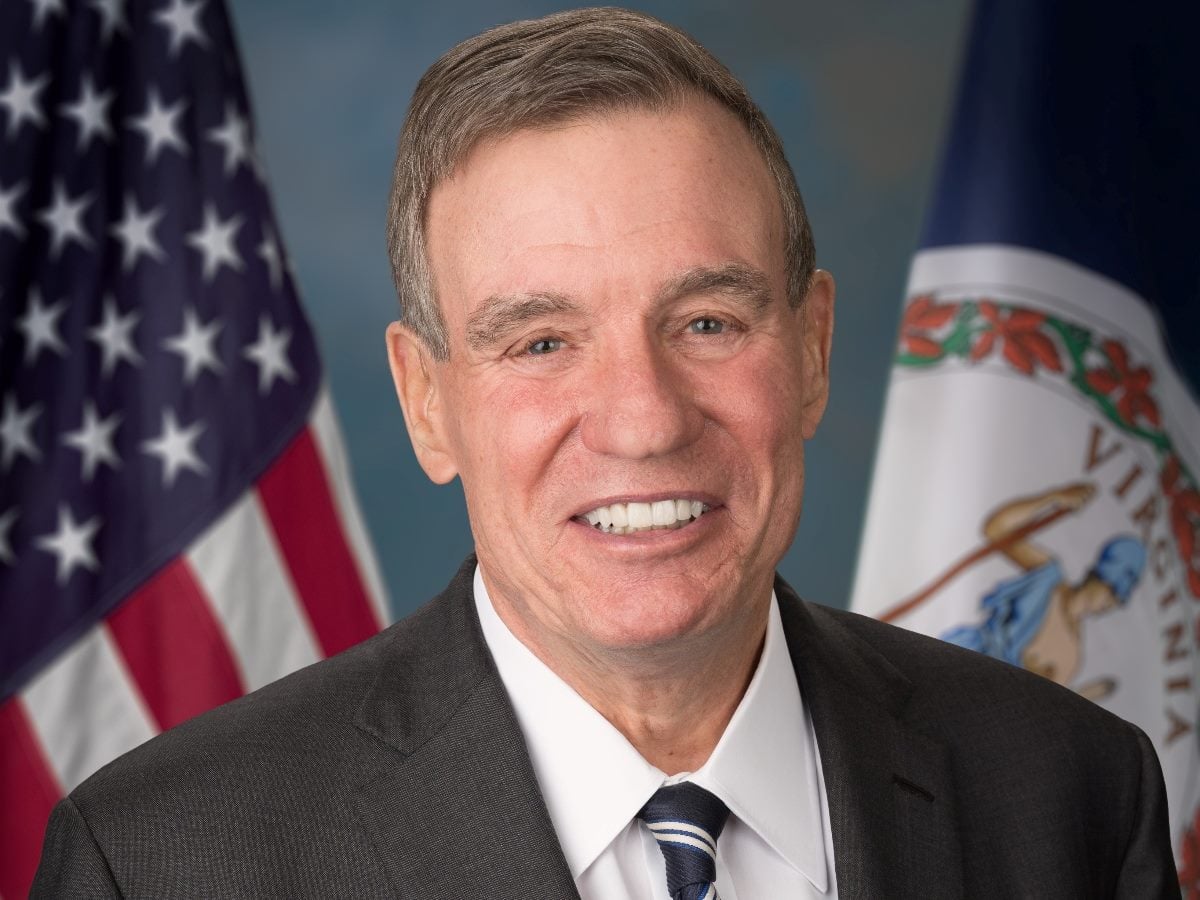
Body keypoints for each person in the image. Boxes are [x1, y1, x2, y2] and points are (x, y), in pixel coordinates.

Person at [33, 8, 1177, 898]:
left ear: (813, 349)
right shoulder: (166, 862)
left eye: (708, 323)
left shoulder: (1068, 791)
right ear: (427, 403)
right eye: (541, 342)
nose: (643, 421)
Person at [942, 481, 1145, 700]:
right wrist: (1052, 498)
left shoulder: (1072, 655)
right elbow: (996, 529)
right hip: (957, 660)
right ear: (1098, 575)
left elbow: (1036, 710)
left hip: (981, 701)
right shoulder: (1049, 576)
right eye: (1111, 591)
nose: (1109, 604)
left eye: (1117, 600)